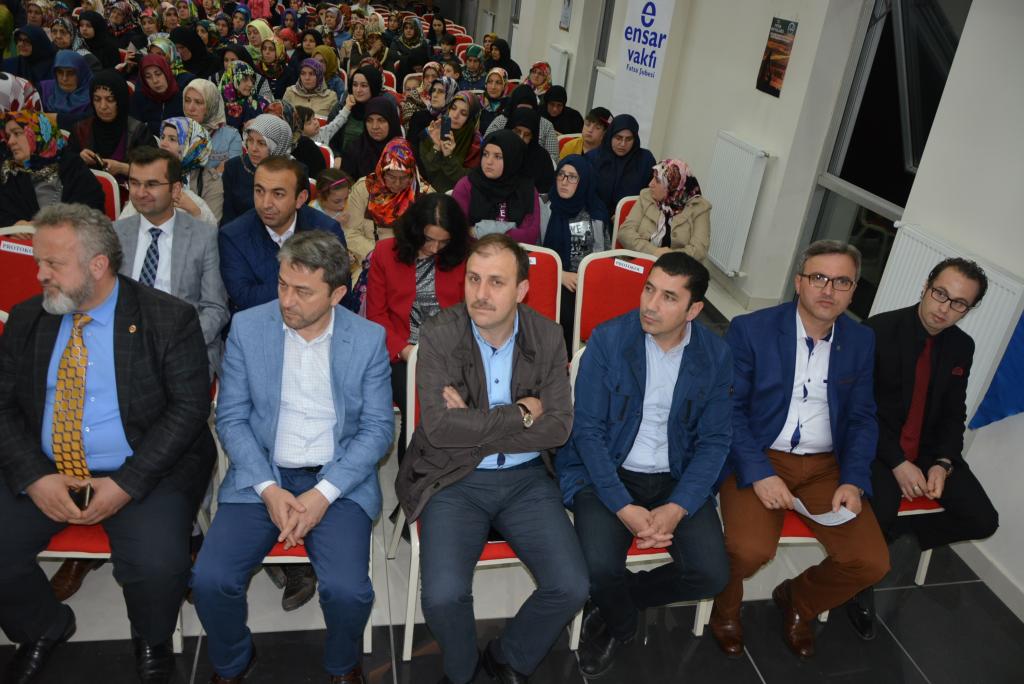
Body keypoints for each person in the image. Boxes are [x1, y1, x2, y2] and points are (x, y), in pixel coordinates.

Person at [0, 203, 215, 684]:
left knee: (158, 565)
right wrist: (35, 477)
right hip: (48, 465)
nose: (39, 275)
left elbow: (188, 410)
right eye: (39, 262)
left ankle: (152, 636)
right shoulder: (29, 318)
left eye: (53, 264)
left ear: (98, 265)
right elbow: (2, 406)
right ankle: (42, 627)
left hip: (142, 465)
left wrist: (126, 484)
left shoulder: (167, 318)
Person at [192, 229, 391, 684]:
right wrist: (267, 488)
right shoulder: (248, 328)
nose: (286, 300)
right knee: (209, 579)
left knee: (348, 591)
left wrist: (323, 494)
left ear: (337, 294)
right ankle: (234, 660)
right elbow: (232, 418)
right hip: (262, 472)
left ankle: (342, 665)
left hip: (337, 479)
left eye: (303, 291)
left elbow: (378, 429)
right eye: (282, 284)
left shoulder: (366, 339)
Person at [395, 233, 589, 684]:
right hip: (453, 478)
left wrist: (473, 424)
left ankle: (508, 656)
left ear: (521, 290)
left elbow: (559, 427)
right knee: (442, 597)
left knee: (571, 585)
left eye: (496, 282)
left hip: (527, 480)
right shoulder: (440, 332)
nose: (480, 293)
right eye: (474, 279)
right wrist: (520, 413)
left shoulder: (547, 335)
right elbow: (439, 429)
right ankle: (463, 670)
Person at [710, 240, 890, 660]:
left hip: (827, 466)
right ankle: (725, 609)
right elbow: (727, 409)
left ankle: (798, 600)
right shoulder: (751, 329)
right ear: (798, 282)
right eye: (819, 277)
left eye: (842, 281)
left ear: (853, 290)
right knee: (748, 551)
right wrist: (759, 472)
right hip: (760, 453)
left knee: (871, 562)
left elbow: (863, 417)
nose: (828, 289)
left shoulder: (861, 341)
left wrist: (853, 479)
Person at [559, 252, 732, 677]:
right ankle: (619, 624)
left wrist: (678, 506)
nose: (650, 305)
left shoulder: (714, 355)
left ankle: (617, 601)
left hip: (675, 476)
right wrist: (623, 506)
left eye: (669, 297)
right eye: (649, 289)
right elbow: (587, 433)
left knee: (711, 574)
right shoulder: (608, 340)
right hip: (607, 472)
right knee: (597, 567)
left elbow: (715, 441)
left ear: (693, 310)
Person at [846, 258, 999, 640]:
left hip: (930, 450)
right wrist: (898, 462)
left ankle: (901, 536)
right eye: (940, 294)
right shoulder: (878, 330)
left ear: (970, 308)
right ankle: (860, 582)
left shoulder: (962, 346)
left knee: (983, 520)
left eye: (959, 303)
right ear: (926, 286)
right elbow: (858, 409)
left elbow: (953, 412)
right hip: (877, 444)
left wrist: (944, 463)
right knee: (881, 507)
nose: (944, 308)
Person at [366, 193, 471, 463]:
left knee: (459, 401)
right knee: (417, 402)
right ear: (414, 230)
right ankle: (412, 478)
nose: (435, 248)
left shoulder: (463, 256)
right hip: (401, 353)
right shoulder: (385, 253)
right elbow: (376, 316)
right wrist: (406, 352)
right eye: (428, 239)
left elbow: (471, 313)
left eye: (443, 241)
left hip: (452, 349)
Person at [114, 145, 229, 376]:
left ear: (176, 189)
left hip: (183, 348)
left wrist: (176, 344)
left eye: (151, 184)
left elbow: (215, 308)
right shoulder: (115, 234)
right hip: (123, 346)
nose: (140, 192)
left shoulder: (203, 237)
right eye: (134, 183)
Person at [219, 154, 351, 313]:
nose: (266, 204)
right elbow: (245, 298)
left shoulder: (327, 231)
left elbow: (341, 293)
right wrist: (310, 287)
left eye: (278, 194)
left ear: (300, 198)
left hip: (317, 321)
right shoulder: (233, 236)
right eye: (259, 191)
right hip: (261, 322)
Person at [543, 155, 607, 352]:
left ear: (584, 181)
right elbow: (533, 253)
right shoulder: (545, 208)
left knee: (572, 307)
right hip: (548, 275)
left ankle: (570, 358)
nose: (564, 182)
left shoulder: (594, 214)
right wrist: (559, 274)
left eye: (572, 177)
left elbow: (599, 258)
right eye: (561, 175)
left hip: (582, 279)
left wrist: (578, 277)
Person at [0, 110, 105, 226]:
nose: (10, 142)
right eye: (8, 136)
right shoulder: (9, 171)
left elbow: (93, 208)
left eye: (17, 133)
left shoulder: (72, 165)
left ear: (39, 134)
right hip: (23, 237)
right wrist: (14, 224)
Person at [452, 129, 541, 245]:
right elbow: (459, 232)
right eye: (485, 154)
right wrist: (510, 230)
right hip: (473, 252)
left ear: (512, 159)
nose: (489, 162)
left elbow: (530, 236)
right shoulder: (466, 185)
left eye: (498, 157)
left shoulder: (526, 189)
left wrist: (479, 230)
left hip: (514, 254)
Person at [344, 137, 419, 271]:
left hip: (410, 261)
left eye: (403, 177)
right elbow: (350, 232)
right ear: (381, 171)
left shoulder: (422, 194)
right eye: (391, 176)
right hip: (370, 258)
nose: (397, 183)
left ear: (412, 174)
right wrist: (379, 255)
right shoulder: (364, 189)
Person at [617, 159, 711, 260]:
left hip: (676, 267)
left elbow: (699, 251)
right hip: (639, 261)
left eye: (657, 181)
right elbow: (625, 232)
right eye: (653, 178)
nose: (650, 184)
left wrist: (668, 257)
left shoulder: (699, 207)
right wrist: (653, 251)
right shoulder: (646, 195)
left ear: (672, 185)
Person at [69, 70, 152, 181]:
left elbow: (154, 171)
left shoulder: (139, 132)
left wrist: (123, 168)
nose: (103, 106)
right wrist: (79, 158)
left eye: (110, 99)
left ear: (121, 100)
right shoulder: (81, 130)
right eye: (97, 99)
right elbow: (65, 166)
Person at [220, 113, 292, 226]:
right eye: (250, 140)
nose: (253, 149)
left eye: (261, 143)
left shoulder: (293, 173)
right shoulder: (234, 167)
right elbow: (228, 215)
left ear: (277, 145)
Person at [149, 116, 220, 224]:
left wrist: (195, 211)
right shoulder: (152, 173)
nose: (163, 143)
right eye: (162, 137)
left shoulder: (210, 180)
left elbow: (213, 230)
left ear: (192, 144)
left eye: (172, 139)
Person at [587, 114, 656, 218]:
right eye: (618, 138)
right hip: (594, 218)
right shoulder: (593, 158)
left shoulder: (645, 160)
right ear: (610, 135)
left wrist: (626, 216)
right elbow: (584, 194)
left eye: (628, 139)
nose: (623, 144)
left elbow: (651, 196)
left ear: (635, 139)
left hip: (632, 220)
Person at [418, 90, 481, 194]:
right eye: (453, 108)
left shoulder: (476, 144)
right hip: (430, 193)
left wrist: (449, 156)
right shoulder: (433, 131)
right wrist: (436, 147)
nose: (455, 115)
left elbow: (468, 179)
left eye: (463, 113)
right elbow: (427, 169)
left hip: (459, 195)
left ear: (471, 118)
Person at [484, 84, 560, 165]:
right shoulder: (502, 120)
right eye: (521, 109)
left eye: (528, 109)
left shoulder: (546, 125)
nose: (524, 113)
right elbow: (486, 144)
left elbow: (553, 159)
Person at [182, 78, 243, 176]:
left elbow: (231, 176)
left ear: (211, 105)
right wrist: (216, 172)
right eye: (187, 100)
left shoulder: (231, 136)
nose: (190, 108)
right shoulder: (175, 131)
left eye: (198, 102)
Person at [340, 94, 401, 182]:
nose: (374, 127)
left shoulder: (403, 151)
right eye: (369, 120)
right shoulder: (353, 150)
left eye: (381, 120)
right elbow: (345, 185)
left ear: (391, 122)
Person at [327, 65, 383, 159]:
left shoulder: (382, 111)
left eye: (364, 85)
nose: (358, 90)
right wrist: (336, 157)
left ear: (374, 87)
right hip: (342, 162)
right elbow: (329, 140)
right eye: (355, 85)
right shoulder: (341, 108)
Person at [132, 54, 187, 136]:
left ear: (167, 72)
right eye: (148, 77)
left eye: (158, 74)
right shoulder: (139, 99)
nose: (155, 81)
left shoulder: (183, 99)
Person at [506, 108, 554, 194]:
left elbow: (545, 191)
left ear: (532, 137)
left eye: (527, 135)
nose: (520, 138)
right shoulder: (498, 150)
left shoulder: (542, 157)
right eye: (517, 132)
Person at [39, 50, 94, 126]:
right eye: (60, 72)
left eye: (71, 73)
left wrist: (58, 118)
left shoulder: (94, 95)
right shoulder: (45, 89)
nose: (64, 78)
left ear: (81, 74)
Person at [219, 60, 269, 131]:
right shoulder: (217, 105)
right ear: (231, 79)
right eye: (244, 79)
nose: (250, 84)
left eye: (252, 79)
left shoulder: (262, 103)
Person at [478, 66, 507, 134]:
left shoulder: (509, 105)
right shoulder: (478, 102)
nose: (493, 87)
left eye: (498, 83)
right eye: (490, 82)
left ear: (504, 86)